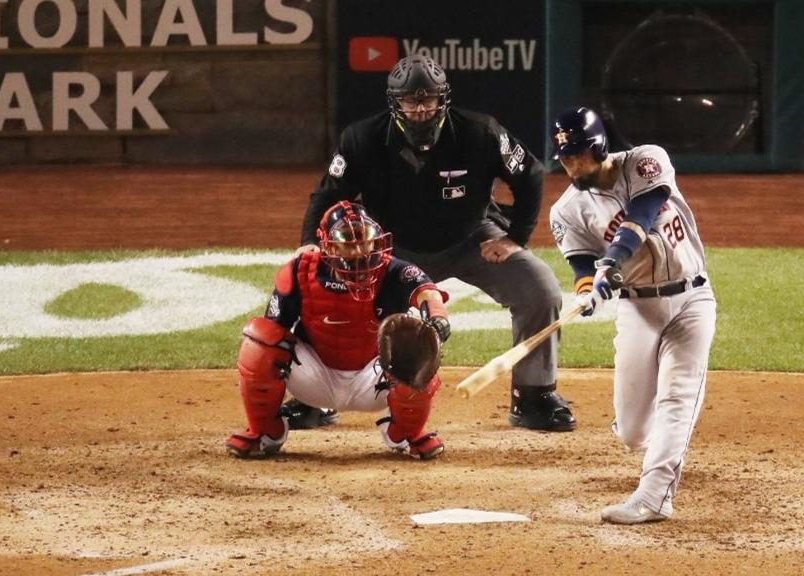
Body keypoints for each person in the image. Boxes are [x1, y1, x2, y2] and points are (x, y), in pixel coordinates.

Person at [287, 54, 574, 432]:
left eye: (429, 99)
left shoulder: (480, 132)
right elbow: (325, 196)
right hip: (388, 251)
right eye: (411, 100)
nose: (421, 109)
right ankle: (315, 398)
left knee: (541, 289)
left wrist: (515, 238)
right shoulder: (362, 139)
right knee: (317, 288)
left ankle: (534, 395)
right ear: (395, 102)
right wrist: (310, 244)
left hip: (473, 237)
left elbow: (532, 173)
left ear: (443, 99)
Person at [548, 106, 717, 524]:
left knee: (677, 397)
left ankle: (655, 495)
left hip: (691, 300)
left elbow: (642, 214)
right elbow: (582, 266)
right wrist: (588, 290)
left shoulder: (646, 159)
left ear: (600, 145)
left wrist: (614, 261)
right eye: (565, 158)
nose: (571, 165)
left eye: (578, 155)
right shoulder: (566, 211)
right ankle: (649, 430)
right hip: (638, 309)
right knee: (632, 432)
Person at [225, 201, 452, 460]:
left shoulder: (393, 270)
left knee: (417, 350)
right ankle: (265, 433)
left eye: (364, 240)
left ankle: (406, 433)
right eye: (347, 242)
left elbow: (428, 293)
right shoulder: (300, 270)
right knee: (260, 339)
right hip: (313, 378)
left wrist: (437, 319)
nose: (358, 251)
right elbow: (274, 327)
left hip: (373, 380)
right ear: (327, 244)